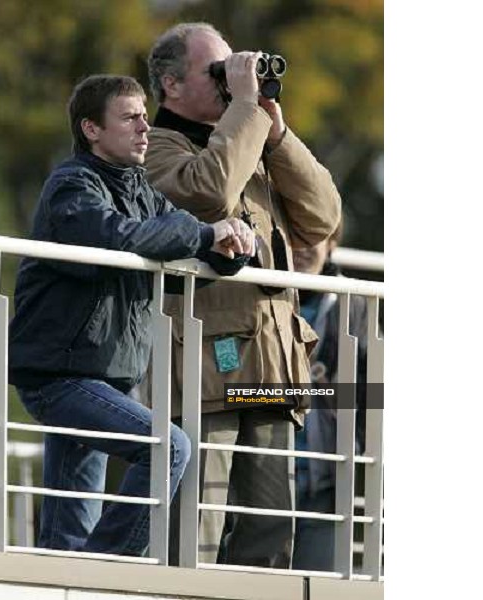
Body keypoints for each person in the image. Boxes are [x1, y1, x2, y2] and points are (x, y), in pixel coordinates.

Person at [7, 74, 255, 556]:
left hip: (103, 378)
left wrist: (232, 249)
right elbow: (117, 238)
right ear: (92, 130)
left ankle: (77, 577)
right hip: (61, 377)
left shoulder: (141, 190)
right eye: (130, 117)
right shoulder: (72, 185)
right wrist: (203, 233)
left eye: (145, 114)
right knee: (169, 448)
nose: (146, 126)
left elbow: (187, 254)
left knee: (65, 534)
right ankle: (107, 571)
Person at [145, 23, 342, 568]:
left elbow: (323, 218)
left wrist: (277, 135)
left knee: (271, 530)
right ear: (171, 84)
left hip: (273, 367)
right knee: (197, 531)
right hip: (208, 370)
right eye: (218, 73)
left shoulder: (250, 141)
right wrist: (249, 112)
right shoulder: (156, 146)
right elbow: (207, 193)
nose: (234, 83)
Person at [291, 221, 369, 572]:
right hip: (258, 477)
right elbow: (233, 393)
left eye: (314, 237)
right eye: (295, 237)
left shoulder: (354, 304)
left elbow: (377, 393)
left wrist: (301, 392)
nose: (304, 247)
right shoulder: (251, 295)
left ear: (332, 244)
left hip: (328, 484)